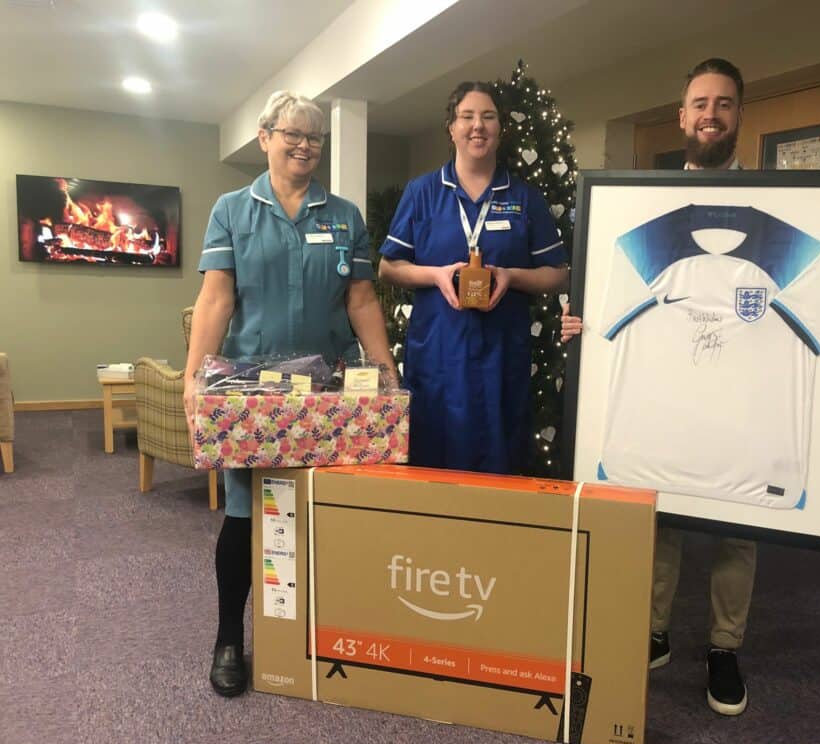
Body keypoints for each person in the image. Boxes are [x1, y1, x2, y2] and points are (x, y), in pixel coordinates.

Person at [560, 58, 820, 716]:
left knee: (740, 535)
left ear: (740, 116)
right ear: (682, 116)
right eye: (700, 103)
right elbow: (603, 324)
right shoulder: (637, 221)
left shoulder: (794, 227)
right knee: (660, 525)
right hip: (661, 429)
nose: (710, 113)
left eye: (725, 104)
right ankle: (652, 629)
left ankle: (723, 647)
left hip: (750, 440)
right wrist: (581, 328)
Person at [184, 91, 397, 697]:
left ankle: (318, 634)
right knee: (245, 514)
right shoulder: (232, 209)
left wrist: (386, 370)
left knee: (323, 512)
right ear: (264, 137)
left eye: (315, 138)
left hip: (328, 394)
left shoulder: (344, 215)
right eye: (293, 134)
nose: (305, 146)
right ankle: (230, 636)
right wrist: (194, 375)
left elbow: (360, 299)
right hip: (253, 396)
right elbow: (216, 298)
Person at [378, 81, 569, 474]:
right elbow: (388, 267)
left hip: (501, 357)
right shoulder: (423, 192)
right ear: (451, 128)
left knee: (499, 468)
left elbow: (559, 275)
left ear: (501, 128)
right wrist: (436, 274)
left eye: (488, 116)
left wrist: (510, 275)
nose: (477, 126)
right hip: (438, 355)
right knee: (433, 466)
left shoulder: (524, 197)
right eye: (467, 117)